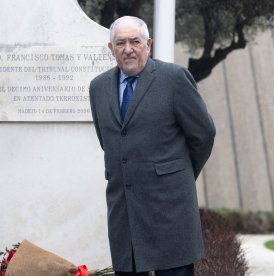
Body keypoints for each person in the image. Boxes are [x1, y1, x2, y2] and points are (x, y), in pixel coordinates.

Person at [89, 16, 216, 276]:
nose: (128, 49)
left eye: (135, 41)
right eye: (120, 43)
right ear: (110, 49)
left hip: (170, 210)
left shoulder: (174, 78)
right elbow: (110, 142)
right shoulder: (98, 88)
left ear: (148, 44)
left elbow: (203, 134)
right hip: (124, 212)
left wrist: (177, 175)